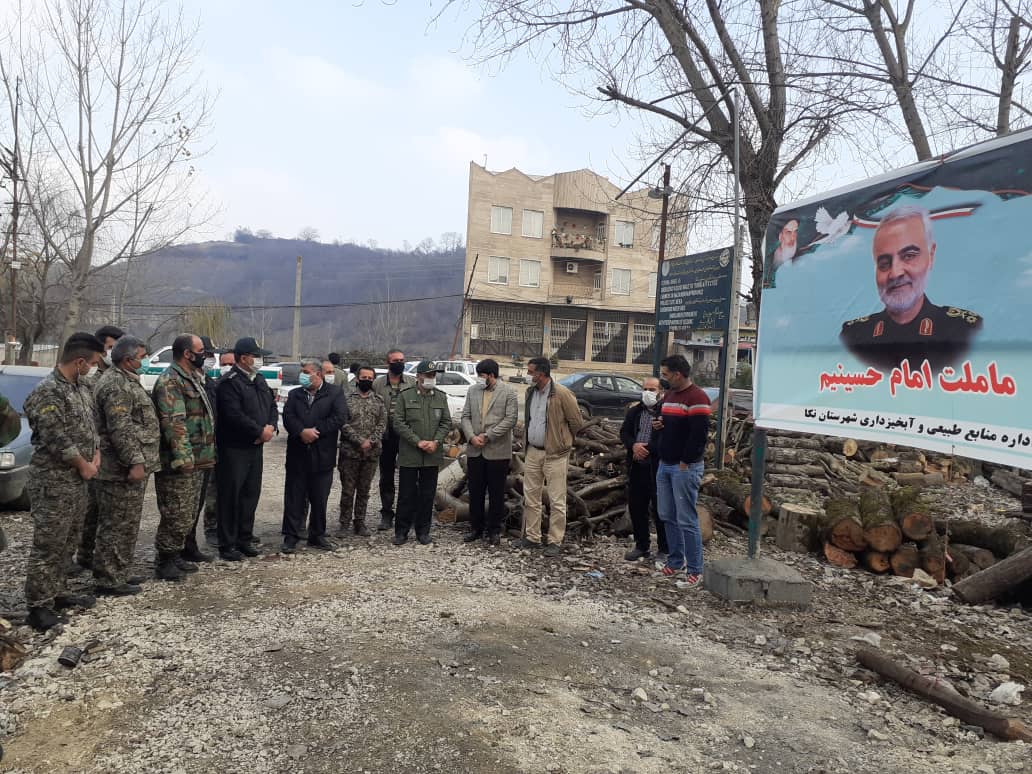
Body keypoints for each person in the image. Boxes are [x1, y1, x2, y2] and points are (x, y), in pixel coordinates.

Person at [23, 333, 104, 631]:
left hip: (78, 480)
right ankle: (38, 607)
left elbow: (91, 426)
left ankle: (56, 593)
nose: (94, 368)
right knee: (48, 545)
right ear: (79, 361)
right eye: (93, 363)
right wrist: (83, 465)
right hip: (54, 481)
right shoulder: (48, 392)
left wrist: (95, 455)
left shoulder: (81, 387)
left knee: (69, 540)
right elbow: (55, 437)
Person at [840, 204, 982, 371]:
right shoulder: (853, 336)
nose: (895, 273)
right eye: (884, 264)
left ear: (931, 255)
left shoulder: (965, 331)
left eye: (909, 256)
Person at [92, 336, 160, 596]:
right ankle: (108, 579)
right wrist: (135, 461)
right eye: (141, 357)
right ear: (127, 359)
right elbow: (120, 429)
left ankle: (119, 570)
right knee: (115, 523)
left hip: (127, 466)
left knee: (127, 523)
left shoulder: (126, 380)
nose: (143, 361)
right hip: (118, 468)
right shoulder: (115, 385)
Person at [152, 334, 216, 580]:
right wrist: (184, 457)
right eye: (201, 351)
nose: (205, 355)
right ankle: (165, 560)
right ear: (187, 354)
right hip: (179, 463)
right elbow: (174, 423)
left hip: (199, 458)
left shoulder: (193, 378)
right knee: (175, 511)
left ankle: (177, 553)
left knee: (188, 511)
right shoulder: (171, 380)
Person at [69, 323, 125, 574]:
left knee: (96, 508)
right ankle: (80, 555)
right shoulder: (83, 376)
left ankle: (88, 555)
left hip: (98, 453)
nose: (112, 353)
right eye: (110, 348)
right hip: (79, 456)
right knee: (86, 510)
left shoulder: (109, 374)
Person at [216, 337, 277, 561]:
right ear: (244, 358)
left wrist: (270, 426)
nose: (259, 360)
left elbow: (271, 405)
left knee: (250, 494)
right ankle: (227, 544)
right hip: (235, 448)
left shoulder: (258, 379)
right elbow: (233, 416)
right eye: (256, 356)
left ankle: (244, 538)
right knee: (231, 496)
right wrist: (258, 431)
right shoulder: (229, 383)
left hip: (256, 448)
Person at [654, 355, 711, 589]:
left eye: (666, 374)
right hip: (665, 463)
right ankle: (675, 560)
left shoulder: (698, 397)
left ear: (678, 374)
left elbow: (699, 435)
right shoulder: (669, 395)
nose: (664, 378)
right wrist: (661, 424)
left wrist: (686, 462)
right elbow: (671, 423)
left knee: (686, 519)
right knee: (667, 514)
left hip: (684, 467)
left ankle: (695, 570)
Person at [281, 359, 348, 553]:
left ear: (317, 374)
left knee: (319, 498)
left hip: (322, 455)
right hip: (297, 454)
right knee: (294, 497)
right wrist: (301, 431)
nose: (302, 374)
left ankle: (317, 535)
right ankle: (291, 536)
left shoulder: (334, 392)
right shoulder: (295, 394)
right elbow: (288, 417)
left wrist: (316, 431)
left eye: (305, 371)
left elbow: (339, 417)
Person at [519, 356, 583, 557]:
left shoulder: (562, 394)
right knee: (531, 497)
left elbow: (577, 423)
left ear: (542, 373)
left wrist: (563, 441)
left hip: (555, 454)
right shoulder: (531, 392)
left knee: (556, 499)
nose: (528, 375)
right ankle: (532, 537)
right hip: (533, 452)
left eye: (531, 372)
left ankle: (555, 540)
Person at [392, 360, 452, 545]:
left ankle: (423, 531)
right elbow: (398, 422)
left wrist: (436, 441)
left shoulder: (440, 397)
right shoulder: (405, 396)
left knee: (427, 495)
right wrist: (417, 442)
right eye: (428, 375)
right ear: (418, 376)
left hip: (432, 455)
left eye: (433, 375)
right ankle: (401, 531)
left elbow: (446, 422)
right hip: (410, 454)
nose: (431, 379)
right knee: (406, 494)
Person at [460, 358, 518, 546]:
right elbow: (466, 416)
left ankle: (494, 530)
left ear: (491, 375)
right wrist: (471, 437)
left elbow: (510, 419)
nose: (479, 379)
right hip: (475, 451)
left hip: (497, 451)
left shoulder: (508, 392)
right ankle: (476, 528)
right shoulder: (473, 390)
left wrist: (488, 436)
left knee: (496, 493)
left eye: (482, 376)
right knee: (475, 491)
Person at [619, 377, 669, 562]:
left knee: (660, 508)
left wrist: (647, 449)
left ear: (661, 391)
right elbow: (624, 432)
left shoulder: (666, 412)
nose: (648, 392)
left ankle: (665, 548)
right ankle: (642, 545)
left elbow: (667, 438)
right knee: (637, 506)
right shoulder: (635, 411)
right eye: (645, 388)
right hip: (637, 465)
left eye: (653, 389)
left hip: (657, 466)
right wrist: (634, 446)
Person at [337, 365, 387, 538]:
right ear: (357, 379)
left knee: (364, 490)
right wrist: (359, 441)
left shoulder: (379, 400)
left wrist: (371, 441)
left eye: (369, 378)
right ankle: (344, 523)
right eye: (363, 377)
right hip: (350, 452)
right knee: (348, 490)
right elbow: (342, 422)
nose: (366, 380)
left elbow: (382, 424)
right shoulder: (346, 399)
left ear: (373, 379)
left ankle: (360, 522)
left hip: (370, 454)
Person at [372, 348, 415, 531]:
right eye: (396, 360)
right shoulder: (378, 384)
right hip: (386, 437)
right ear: (388, 362)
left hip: (407, 436)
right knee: (387, 476)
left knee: (408, 476)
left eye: (402, 360)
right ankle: (387, 513)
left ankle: (406, 514)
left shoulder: (413, 382)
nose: (400, 362)